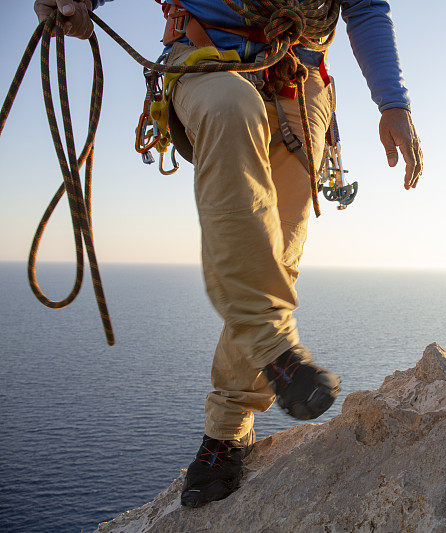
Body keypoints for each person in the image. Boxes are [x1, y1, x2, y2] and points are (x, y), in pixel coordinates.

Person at [33, 0, 422, 508]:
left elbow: (365, 7)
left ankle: (229, 429)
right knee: (228, 108)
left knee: (277, 251)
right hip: (207, 61)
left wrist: (393, 102)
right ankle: (275, 351)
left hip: (298, 83)